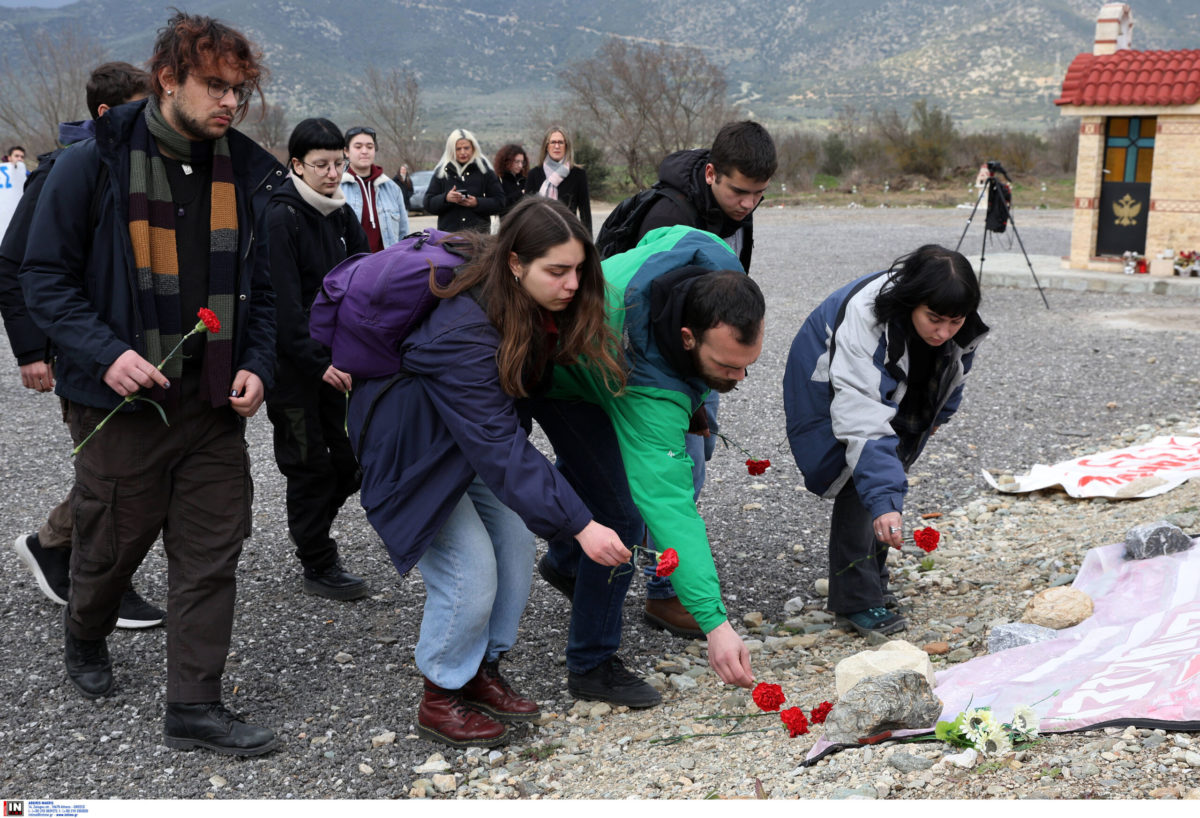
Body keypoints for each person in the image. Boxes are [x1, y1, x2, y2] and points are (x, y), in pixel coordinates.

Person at [19, 10, 283, 756]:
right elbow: (44, 279)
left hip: (210, 406)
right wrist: (104, 353)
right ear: (168, 77)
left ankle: (194, 705)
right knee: (111, 543)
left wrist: (258, 365)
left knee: (211, 551)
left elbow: (262, 294)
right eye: (215, 86)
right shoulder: (91, 164)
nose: (230, 102)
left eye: (240, 89)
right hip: (120, 403)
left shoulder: (246, 171)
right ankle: (85, 629)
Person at [348, 197, 630, 747]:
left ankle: (480, 671)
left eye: (578, 270)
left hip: (461, 442)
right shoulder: (464, 332)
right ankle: (440, 694)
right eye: (558, 271)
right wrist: (581, 525)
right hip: (414, 452)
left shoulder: (522, 303)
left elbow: (505, 427)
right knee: (469, 571)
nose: (573, 284)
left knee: (515, 551)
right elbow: (501, 446)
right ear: (516, 264)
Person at [529, 225, 762, 707]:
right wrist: (716, 622)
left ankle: (567, 564)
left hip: (625, 356)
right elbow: (670, 507)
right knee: (622, 514)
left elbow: (664, 232)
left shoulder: (715, 257)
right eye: (726, 367)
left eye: (747, 364)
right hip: (561, 375)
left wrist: (697, 390)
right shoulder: (646, 387)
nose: (739, 379)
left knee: (597, 483)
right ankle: (591, 664)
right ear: (686, 337)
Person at [1, 61, 165, 628]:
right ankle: (102, 590)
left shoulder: (148, 168)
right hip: (86, 354)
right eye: (146, 107)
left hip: (138, 352)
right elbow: (17, 264)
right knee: (113, 481)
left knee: (120, 473)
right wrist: (30, 351)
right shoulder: (63, 173)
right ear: (107, 112)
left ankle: (54, 545)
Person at [783, 245, 988, 636]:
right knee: (859, 478)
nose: (944, 331)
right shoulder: (866, 319)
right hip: (828, 380)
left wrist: (938, 416)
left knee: (887, 472)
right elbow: (862, 421)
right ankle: (856, 601)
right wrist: (882, 495)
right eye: (934, 320)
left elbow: (955, 367)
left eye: (954, 321)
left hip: (893, 387)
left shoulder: (956, 322)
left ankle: (872, 580)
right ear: (911, 303)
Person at [632, 120, 776, 639]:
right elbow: (652, 314)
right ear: (712, 173)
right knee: (676, 469)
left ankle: (596, 558)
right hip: (657, 363)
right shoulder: (670, 215)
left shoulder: (735, 211)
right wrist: (684, 396)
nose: (748, 205)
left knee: (692, 460)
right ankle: (663, 592)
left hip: (698, 355)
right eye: (739, 191)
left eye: (759, 195)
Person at [266, 118, 370, 600]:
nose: (333, 173)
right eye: (322, 165)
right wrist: (314, 361)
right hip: (295, 368)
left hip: (340, 363)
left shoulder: (343, 215)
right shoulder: (280, 216)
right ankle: (317, 560)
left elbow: (366, 282)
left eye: (338, 163)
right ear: (296, 166)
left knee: (349, 464)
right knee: (307, 464)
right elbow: (282, 304)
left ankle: (309, 537)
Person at [341, 125, 409, 251]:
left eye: (369, 146)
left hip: (387, 265)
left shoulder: (392, 188)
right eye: (358, 147)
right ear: (346, 151)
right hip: (351, 267)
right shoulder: (337, 189)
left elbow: (403, 234)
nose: (364, 151)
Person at [423, 128, 504, 233]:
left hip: (479, 239)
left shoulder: (485, 171)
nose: (463, 152)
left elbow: (500, 203)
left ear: (473, 148)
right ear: (451, 150)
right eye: (458, 149)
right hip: (448, 239)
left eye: (466, 148)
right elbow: (428, 203)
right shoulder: (442, 172)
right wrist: (446, 198)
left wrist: (477, 203)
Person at [526, 126, 590, 233]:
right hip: (539, 235)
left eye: (561, 142)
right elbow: (527, 211)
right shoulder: (534, 174)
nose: (557, 146)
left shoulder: (578, 174)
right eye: (553, 142)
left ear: (567, 146)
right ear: (546, 146)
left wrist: (587, 242)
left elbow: (585, 212)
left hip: (569, 234)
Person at [492, 142, 527, 215]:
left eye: (522, 162)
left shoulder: (525, 179)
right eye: (517, 162)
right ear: (506, 161)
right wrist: (521, 194)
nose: (520, 166)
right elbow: (499, 204)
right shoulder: (497, 180)